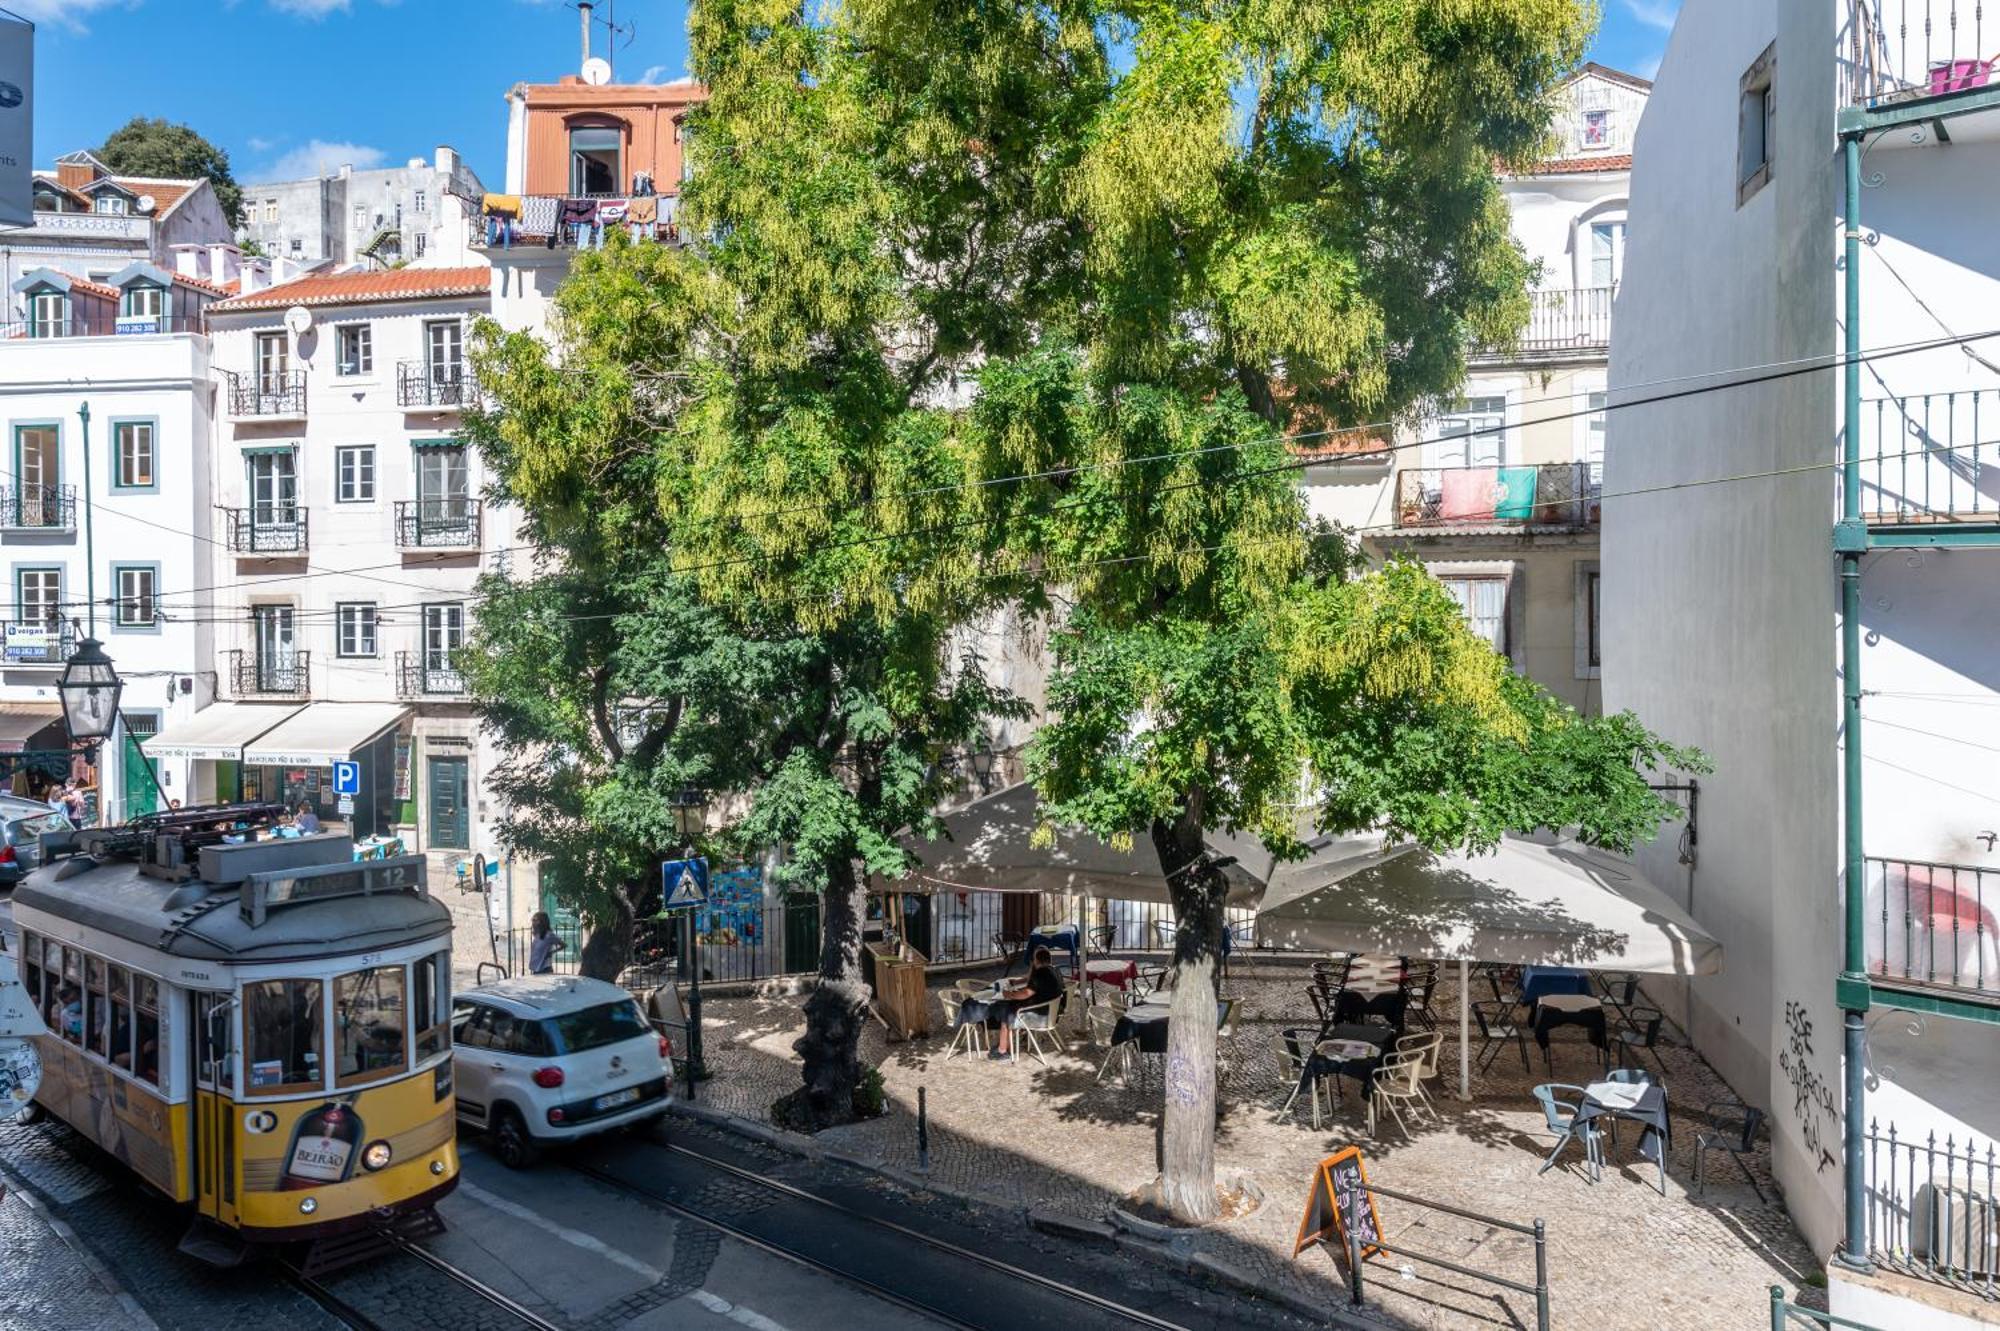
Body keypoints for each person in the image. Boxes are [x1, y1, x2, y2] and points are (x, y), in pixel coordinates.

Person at [986, 947, 1065, 1060]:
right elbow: (1033, 986)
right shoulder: (1054, 970)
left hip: (1042, 1016)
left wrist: (1009, 994)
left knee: (1007, 1013)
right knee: (1012, 1007)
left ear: (1036, 960)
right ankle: (1004, 1044)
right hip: (1052, 1012)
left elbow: (1026, 993)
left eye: (1033, 960)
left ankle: (1002, 1051)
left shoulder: (1041, 973)